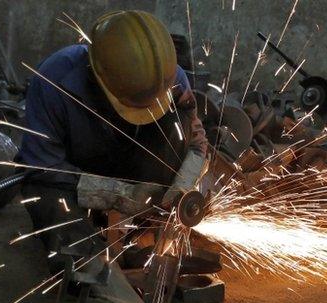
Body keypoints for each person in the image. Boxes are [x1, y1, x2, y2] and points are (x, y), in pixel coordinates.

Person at [16, 10, 207, 267]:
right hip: (70, 176)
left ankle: (146, 231)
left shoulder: (169, 80)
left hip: (131, 160)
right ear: (100, 77)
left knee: (177, 125)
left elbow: (196, 144)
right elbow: (41, 168)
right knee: (78, 256)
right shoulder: (53, 81)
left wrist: (182, 186)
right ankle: (86, 257)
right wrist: (116, 194)